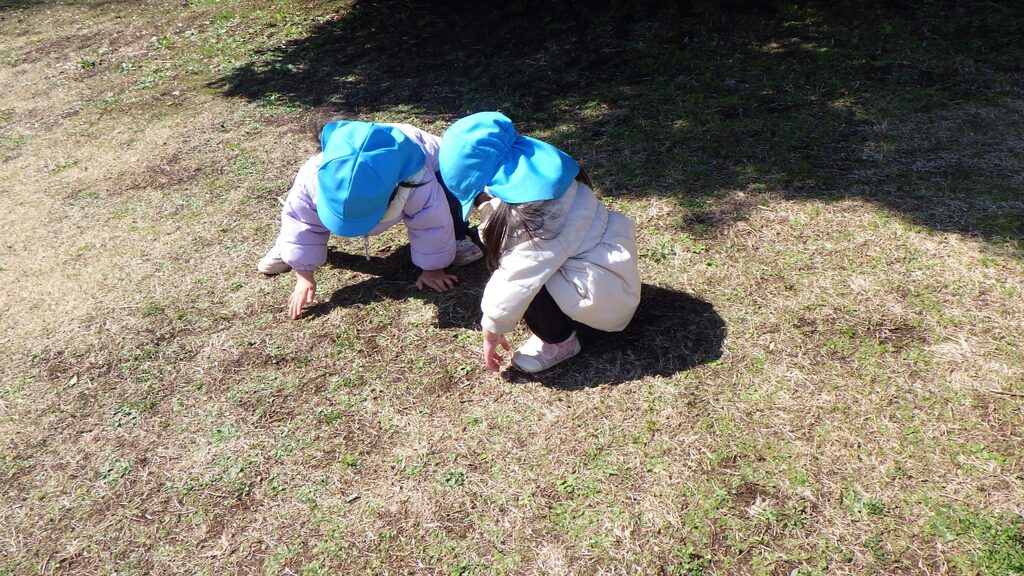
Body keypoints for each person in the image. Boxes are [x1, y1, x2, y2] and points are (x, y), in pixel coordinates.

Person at [439, 112, 641, 373]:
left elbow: (518, 278)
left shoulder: (532, 221)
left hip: (604, 304)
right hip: (613, 279)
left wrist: (492, 328)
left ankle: (559, 342)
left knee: (524, 278)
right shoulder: (550, 175)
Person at [257, 120, 483, 319]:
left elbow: (431, 222)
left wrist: (433, 268)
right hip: (370, 174)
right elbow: (301, 220)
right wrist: (303, 274)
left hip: (431, 165)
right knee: (298, 218)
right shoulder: (312, 177)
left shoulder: (417, 179)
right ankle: (287, 245)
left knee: (446, 196)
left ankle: (457, 235)